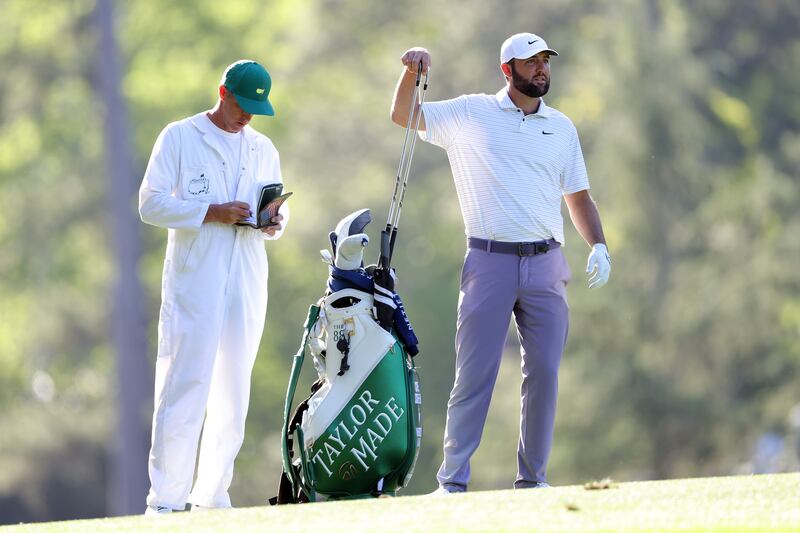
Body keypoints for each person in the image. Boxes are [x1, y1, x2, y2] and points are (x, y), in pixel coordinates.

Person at [390, 33, 611, 493]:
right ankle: (452, 482)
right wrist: (411, 73)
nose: (542, 69)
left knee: (545, 374)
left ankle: (533, 481)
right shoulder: (472, 113)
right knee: (475, 375)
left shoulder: (562, 128)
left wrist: (599, 245)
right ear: (507, 70)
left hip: (546, 263)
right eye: (531, 62)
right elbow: (404, 114)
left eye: (545, 60)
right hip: (489, 261)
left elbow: (578, 197)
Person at [139, 59, 289, 514]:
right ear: (223, 93)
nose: (247, 116)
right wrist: (210, 212)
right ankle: (165, 500)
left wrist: (273, 222)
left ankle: (211, 496)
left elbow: (275, 205)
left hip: (246, 272)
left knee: (233, 388)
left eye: (255, 109)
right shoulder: (180, 137)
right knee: (185, 382)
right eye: (241, 105)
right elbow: (150, 204)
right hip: (196, 278)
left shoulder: (263, 148)